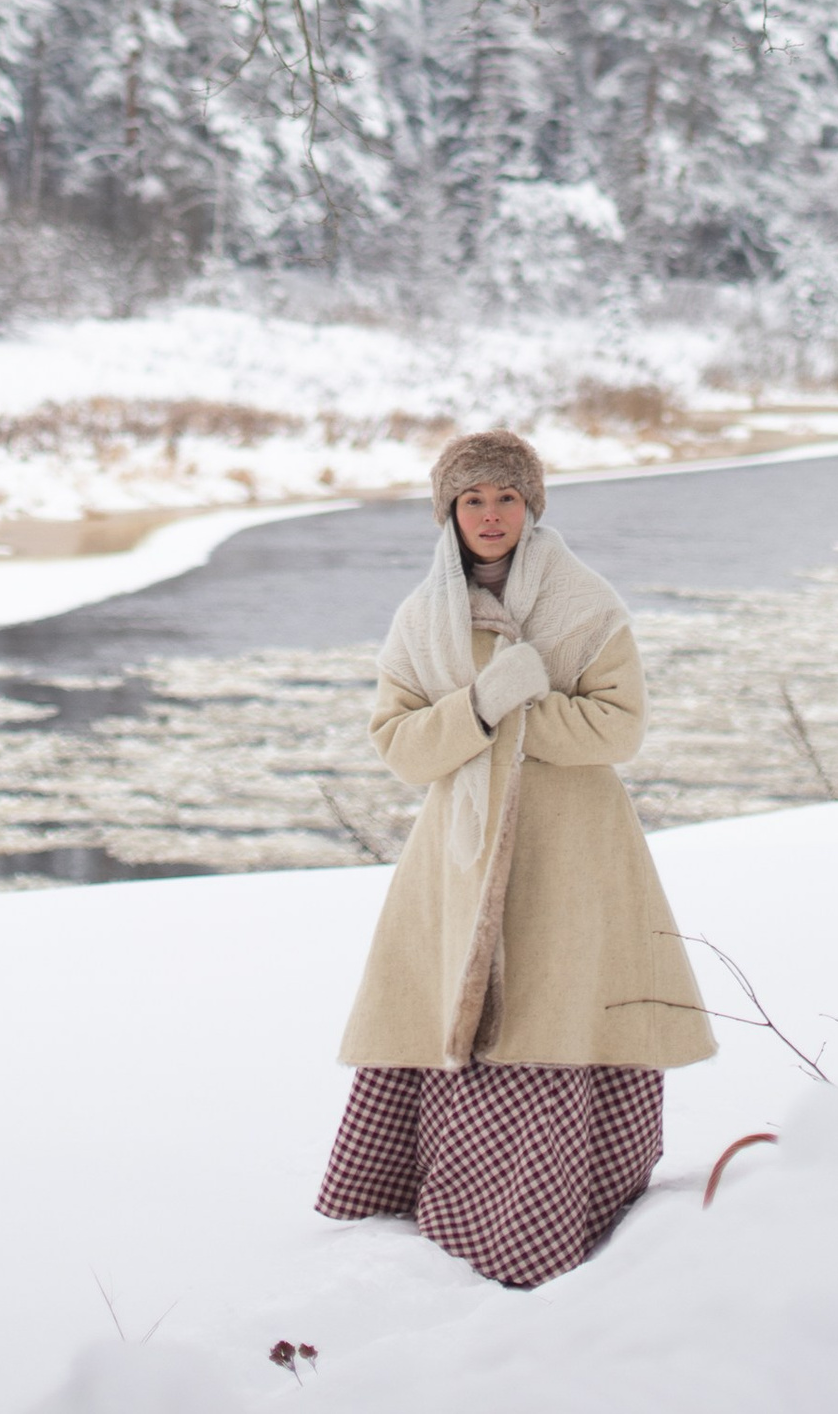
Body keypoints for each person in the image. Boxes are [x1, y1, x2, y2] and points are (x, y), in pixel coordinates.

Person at [315, 426, 714, 1289]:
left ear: (531, 507)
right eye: (472, 500)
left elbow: (622, 727)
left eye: (505, 498)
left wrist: (526, 720)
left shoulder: (585, 602)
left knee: (557, 1008)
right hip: (455, 863)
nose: (489, 516)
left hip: (572, 854)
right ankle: (441, 1211)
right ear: (448, 514)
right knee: (456, 1006)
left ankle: (561, 1217)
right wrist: (485, 707)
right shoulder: (421, 619)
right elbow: (397, 743)